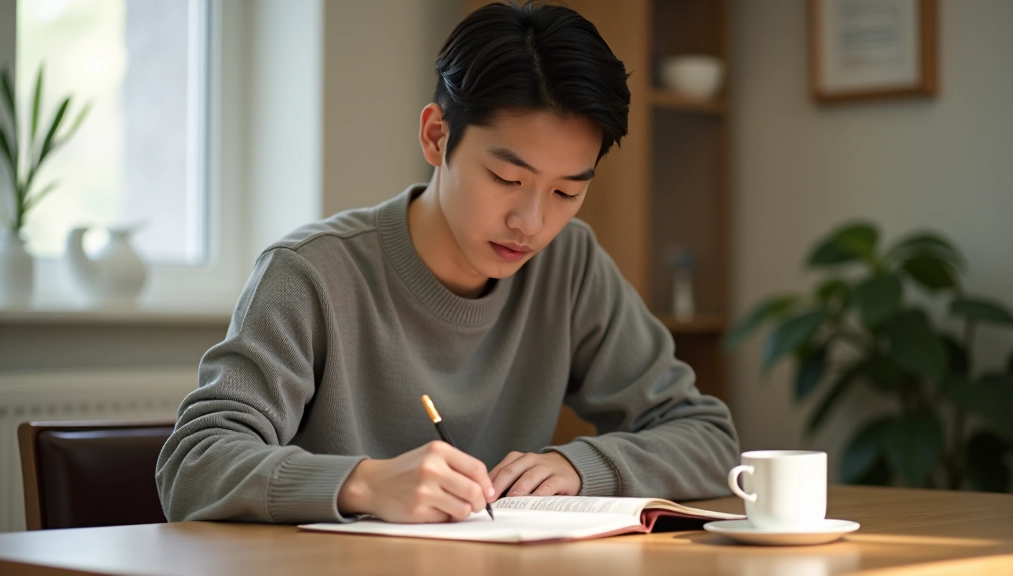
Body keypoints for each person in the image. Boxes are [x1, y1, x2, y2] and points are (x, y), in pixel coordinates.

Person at [156, 0, 739, 525]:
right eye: (507, 178)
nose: (531, 223)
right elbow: (193, 465)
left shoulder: (570, 264)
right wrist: (361, 483)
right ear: (437, 137)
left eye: (566, 192)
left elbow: (709, 438)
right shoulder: (311, 273)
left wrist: (585, 466)